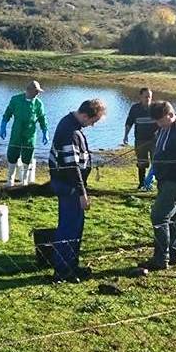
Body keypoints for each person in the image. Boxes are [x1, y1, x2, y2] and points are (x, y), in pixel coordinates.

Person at [48, 99, 107, 283]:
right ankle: (62, 270)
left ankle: (72, 264)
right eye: (93, 121)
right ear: (84, 115)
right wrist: (82, 193)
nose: (92, 125)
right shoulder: (70, 131)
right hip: (69, 187)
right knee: (69, 227)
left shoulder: (72, 124)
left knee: (75, 226)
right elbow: (71, 167)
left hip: (70, 184)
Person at [139, 101, 176, 271]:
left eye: (161, 121)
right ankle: (173, 256)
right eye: (156, 121)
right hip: (164, 179)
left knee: (158, 216)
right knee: (172, 218)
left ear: (171, 115)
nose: (158, 125)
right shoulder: (164, 128)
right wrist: (152, 171)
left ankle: (160, 259)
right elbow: (160, 152)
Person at [0, 80, 49, 187]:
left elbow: (42, 118)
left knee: (28, 156)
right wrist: (3, 126)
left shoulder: (38, 104)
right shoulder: (15, 100)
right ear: (29, 90)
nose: (38, 93)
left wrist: (45, 131)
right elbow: (7, 113)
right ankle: (10, 180)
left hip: (30, 134)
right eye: (36, 91)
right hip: (16, 132)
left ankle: (24, 180)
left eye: (38, 92)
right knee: (12, 154)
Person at [123, 88, 158, 191]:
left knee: (156, 162)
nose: (148, 99)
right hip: (140, 140)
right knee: (141, 163)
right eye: (146, 97)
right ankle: (142, 183)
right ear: (141, 97)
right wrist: (125, 136)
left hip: (154, 141)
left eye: (149, 97)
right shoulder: (135, 108)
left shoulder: (155, 108)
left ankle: (154, 183)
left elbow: (162, 123)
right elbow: (129, 122)